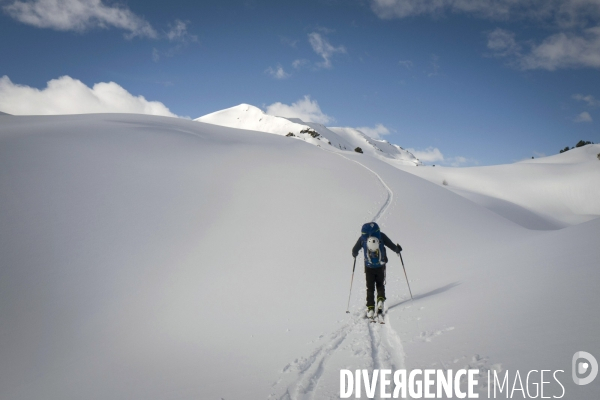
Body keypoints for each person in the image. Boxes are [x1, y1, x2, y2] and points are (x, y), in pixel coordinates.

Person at [352, 222, 402, 318]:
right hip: (380, 266)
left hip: (369, 267)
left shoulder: (362, 238)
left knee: (370, 288)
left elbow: (354, 250)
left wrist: (354, 255)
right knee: (380, 284)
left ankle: (370, 309)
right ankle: (380, 300)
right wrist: (397, 249)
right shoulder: (381, 236)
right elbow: (391, 245)